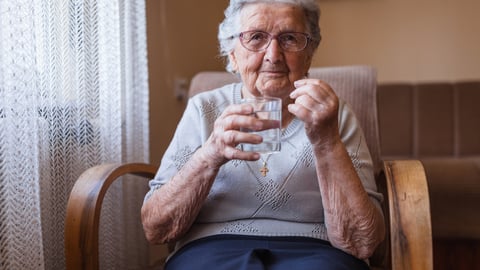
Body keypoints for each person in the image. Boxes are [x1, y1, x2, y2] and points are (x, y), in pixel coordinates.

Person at [141, 0, 385, 269]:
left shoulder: (333, 115)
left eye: (290, 38)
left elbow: (364, 242)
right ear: (232, 54)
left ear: (309, 54)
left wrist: (327, 142)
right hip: (211, 247)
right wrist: (210, 154)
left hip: (317, 251)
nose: (273, 54)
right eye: (256, 37)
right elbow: (156, 229)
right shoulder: (204, 109)